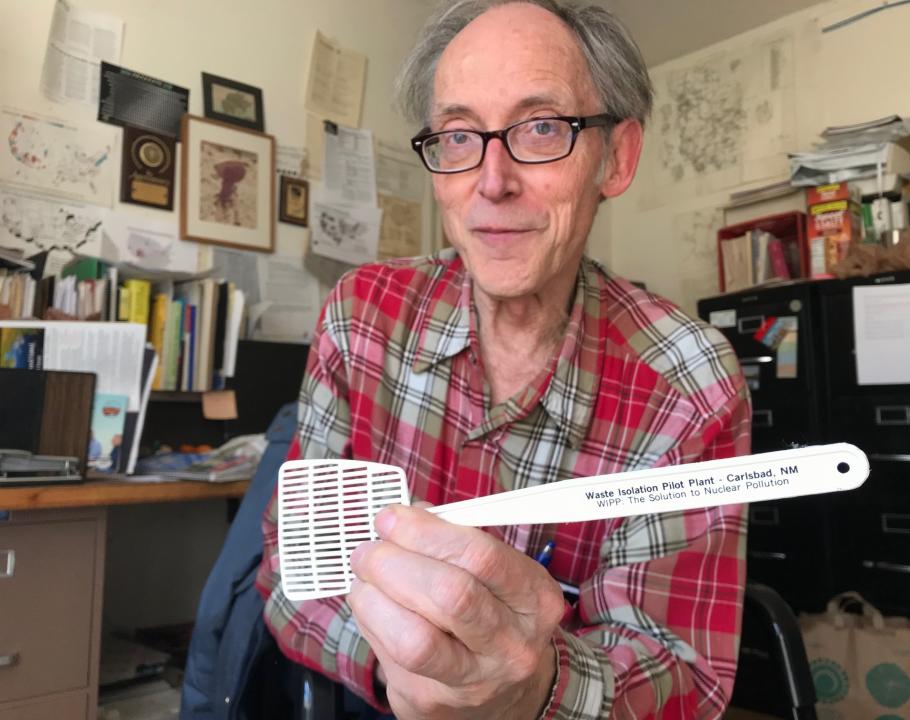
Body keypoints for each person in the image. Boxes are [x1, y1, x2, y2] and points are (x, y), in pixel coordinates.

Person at [256, 1, 750, 718]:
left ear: (616, 157)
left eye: (542, 128)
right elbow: (289, 573)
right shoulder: (362, 316)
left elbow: (679, 670)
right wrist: (406, 672)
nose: (492, 181)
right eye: (459, 136)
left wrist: (534, 688)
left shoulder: (690, 385)